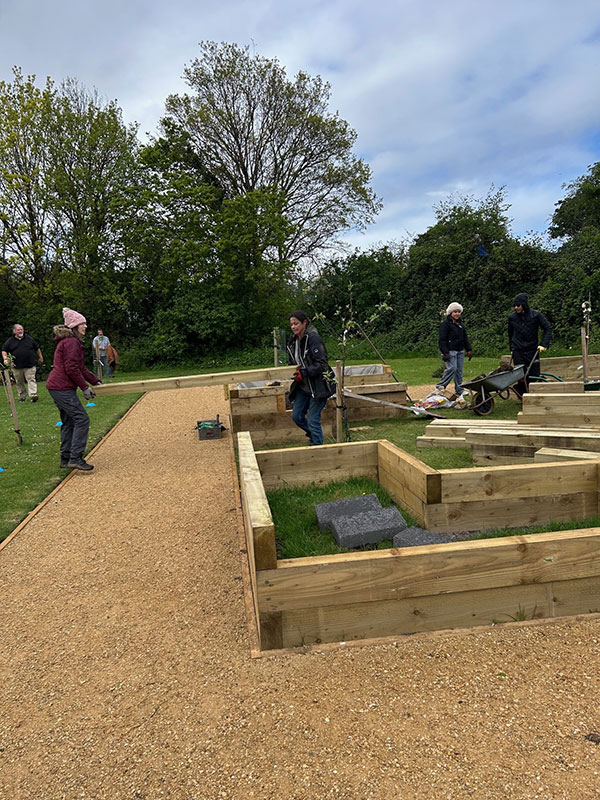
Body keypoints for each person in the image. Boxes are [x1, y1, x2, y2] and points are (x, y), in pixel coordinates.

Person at [46, 308, 101, 471]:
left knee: (69, 421)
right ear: (74, 326)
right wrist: (84, 387)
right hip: (61, 387)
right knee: (81, 419)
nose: (85, 326)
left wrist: (95, 381)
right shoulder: (71, 342)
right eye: (82, 324)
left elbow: (81, 368)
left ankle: (66, 458)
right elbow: (71, 368)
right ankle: (75, 458)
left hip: (58, 387)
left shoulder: (70, 342)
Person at [286, 311, 335, 446]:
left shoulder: (313, 338)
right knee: (296, 416)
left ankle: (317, 446)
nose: (293, 327)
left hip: (318, 385)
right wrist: (293, 372)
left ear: (304, 323)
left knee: (313, 420)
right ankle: (313, 435)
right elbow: (292, 362)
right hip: (303, 385)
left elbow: (322, 363)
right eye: (291, 324)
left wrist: (305, 372)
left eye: (296, 323)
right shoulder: (292, 342)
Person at [508, 292, 552, 397]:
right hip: (518, 350)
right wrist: (512, 347)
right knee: (520, 375)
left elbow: (548, 328)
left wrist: (543, 344)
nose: (516, 308)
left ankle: (531, 392)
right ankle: (522, 394)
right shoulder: (512, 317)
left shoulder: (536, 315)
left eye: (518, 305)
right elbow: (510, 333)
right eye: (514, 306)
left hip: (532, 349)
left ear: (524, 305)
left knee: (534, 374)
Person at [435, 302, 472, 396]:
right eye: (455, 312)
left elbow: (465, 338)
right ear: (450, 313)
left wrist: (468, 349)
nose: (457, 314)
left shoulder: (461, 325)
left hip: (460, 350)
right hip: (450, 351)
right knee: (452, 368)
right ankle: (440, 386)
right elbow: (442, 340)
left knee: (459, 370)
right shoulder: (445, 324)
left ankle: (459, 389)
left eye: (459, 312)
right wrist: (445, 352)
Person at [2, 323, 44, 402]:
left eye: (21, 329)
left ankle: (33, 395)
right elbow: (4, 351)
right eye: (18, 330)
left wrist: (40, 357)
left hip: (30, 364)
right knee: (19, 381)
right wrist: (5, 359)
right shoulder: (10, 341)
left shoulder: (29, 339)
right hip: (16, 366)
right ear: (14, 331)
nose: (20, 331)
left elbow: (37, 348)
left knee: (31, 379)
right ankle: (22, 396)